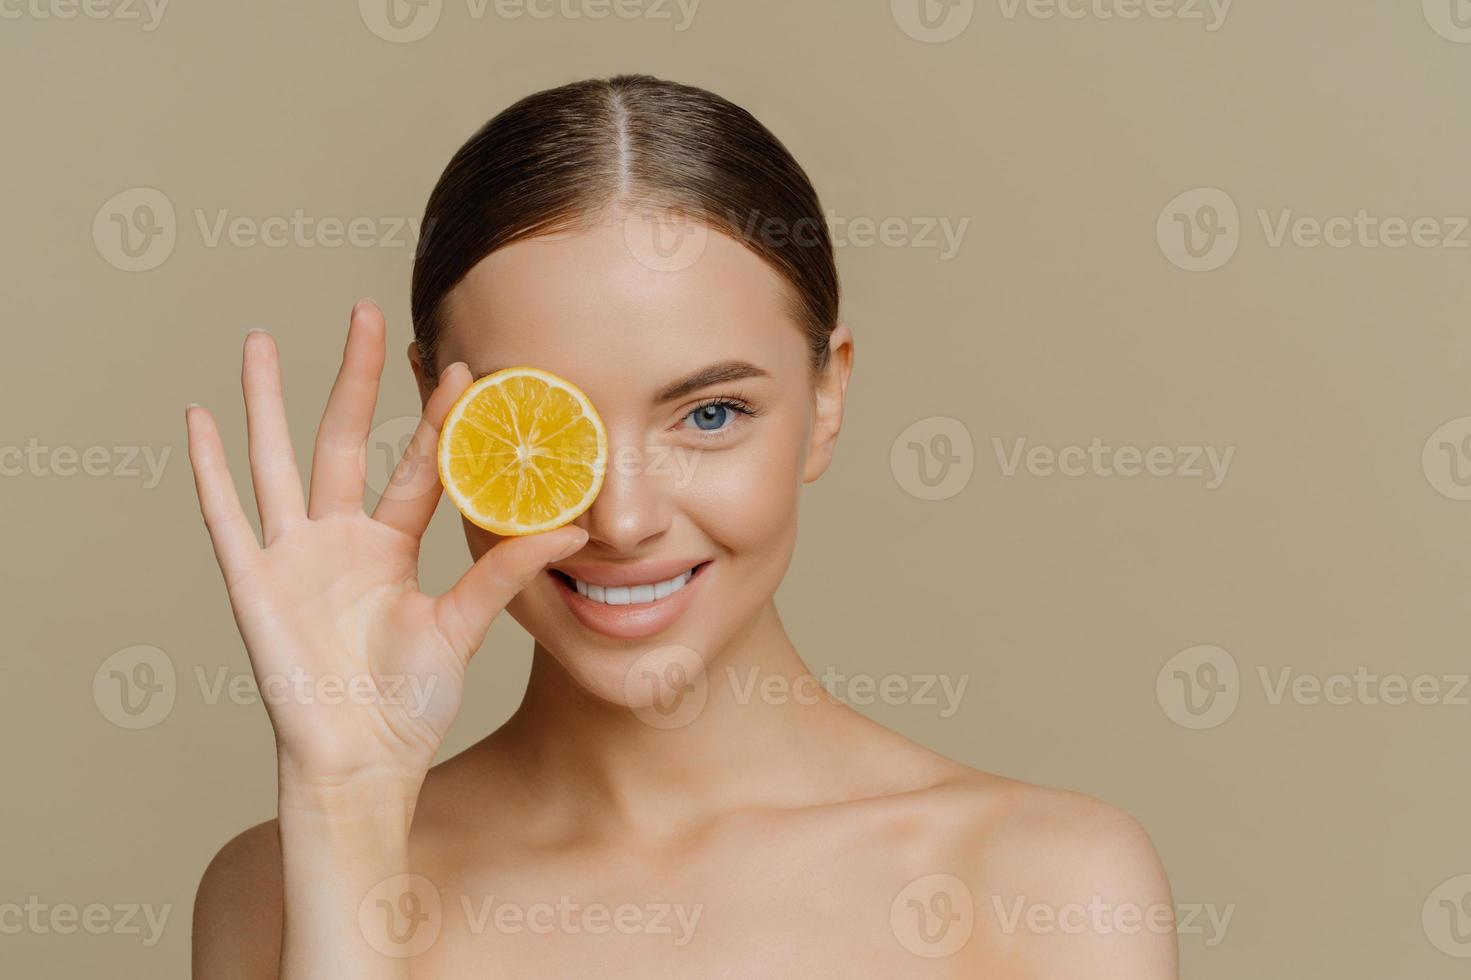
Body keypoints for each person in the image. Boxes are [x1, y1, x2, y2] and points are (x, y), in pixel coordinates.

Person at [188, 73, 1176, 978]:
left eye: (710, 414)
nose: (621, 519)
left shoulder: (1047, 887)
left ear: (826, 398)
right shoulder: (275, 887)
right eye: (545, 424)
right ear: (443, 419)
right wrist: (348, 813)